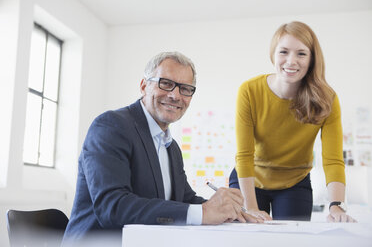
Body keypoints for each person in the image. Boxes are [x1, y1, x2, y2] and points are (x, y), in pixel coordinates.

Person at [63, 51, 259, 245]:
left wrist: (230, 211)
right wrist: (205, 212)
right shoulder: (111, 126)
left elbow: (184, 199)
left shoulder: (171, 147)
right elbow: (113, 207)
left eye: (185, 89)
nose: (175, 95)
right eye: (165, 84)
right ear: (143, 86)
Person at [229, 21, 356, 223]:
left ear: (312, 59)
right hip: (250, 180)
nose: (291, 61)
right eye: (284, 52)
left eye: (301, 53)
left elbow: (332, 160)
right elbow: (244, 155)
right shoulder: (249, 91)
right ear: (273, 54)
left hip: (294, 183)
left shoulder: (327, 99)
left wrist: (336, 206)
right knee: (248, 236)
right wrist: (251, 207)